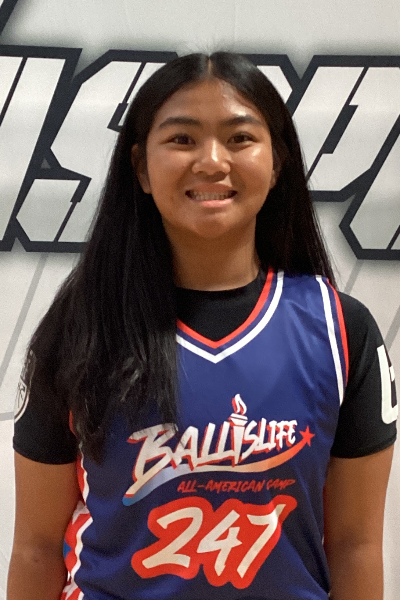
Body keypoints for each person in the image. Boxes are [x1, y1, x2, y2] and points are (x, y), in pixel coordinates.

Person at [7, 52, 397, 600]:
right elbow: (36, 546)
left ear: (277, 162)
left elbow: (355, 545)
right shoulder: (82, 327)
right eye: (182, 139)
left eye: (240, 138)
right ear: (141, 168)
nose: (212, 161)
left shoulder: (340, 332)